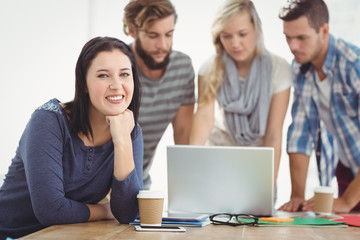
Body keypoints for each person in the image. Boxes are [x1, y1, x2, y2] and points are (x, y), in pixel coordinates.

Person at [0, 37, 143, 239]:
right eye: (103, 75)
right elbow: (50, 210)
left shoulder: (129, 131)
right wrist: (104, 210)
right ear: (84, 83)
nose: (117, 85)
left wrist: (122, 141)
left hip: (67, 234)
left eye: (125, 74)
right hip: (14, 234)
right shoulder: (48, 120)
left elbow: (129, 213)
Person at [189, 0, 292, 189]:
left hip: (257, 169)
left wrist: (268, 187)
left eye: (242, 34)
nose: (235, 43)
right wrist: (189, 174)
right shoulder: (209, 68)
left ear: (256, 29)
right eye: (226, 36)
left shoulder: (279, 69)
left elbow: (274, 134)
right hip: (216, 166)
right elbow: (204, 118)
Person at [278, 0, 360, 213]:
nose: (293, 46)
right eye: (288, 37)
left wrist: (348, 201)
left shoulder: (354, 66)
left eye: (301, 38)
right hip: (349, 171)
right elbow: (300, 135)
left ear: (324, 31)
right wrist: (296, 195)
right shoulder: (300, 68)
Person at [123, 0, 195, 189]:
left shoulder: (182, 68)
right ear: (132, 30)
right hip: (102, 184)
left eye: (169, 35)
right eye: (153, 35)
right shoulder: (119, 67)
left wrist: (187, 190)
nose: (163, 45)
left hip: (140, 182)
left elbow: (183, 135)